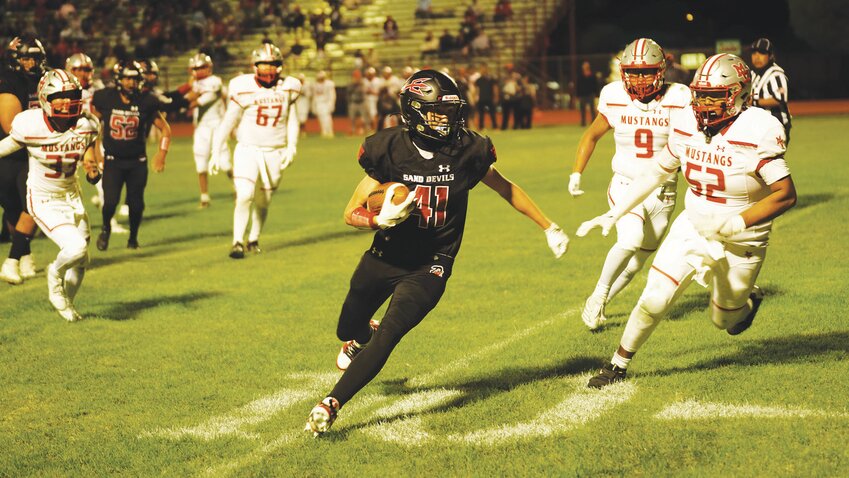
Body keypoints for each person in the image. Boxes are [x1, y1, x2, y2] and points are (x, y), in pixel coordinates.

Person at [304, 69, 570, 436]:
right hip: (385, 256)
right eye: (437, 112)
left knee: (391, 333)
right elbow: (350, 212)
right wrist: (377, 220)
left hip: (433, 261)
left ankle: (331, 404)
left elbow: (505, 187)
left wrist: (548, 225)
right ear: (413, 111)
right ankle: (359, 334)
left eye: (449, 111)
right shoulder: (388, 149)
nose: (446, 119)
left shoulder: (468, 150)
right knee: (347, 327)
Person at [577, 54, 796, 388]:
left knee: (724, 319)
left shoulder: (759, 129)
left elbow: (784, 194)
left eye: (713, 95)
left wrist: (736, 224)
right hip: (693, 222)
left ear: (738, 94)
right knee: (654, 297)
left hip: (743, 237)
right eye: (700, 93)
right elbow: (657, 171)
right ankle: (617, 365)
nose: (703, 103)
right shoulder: (687, 123)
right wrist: (616, 210)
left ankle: (747, 300)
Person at [569, 38, 690, 330]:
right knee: (630, 240)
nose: (638, 78)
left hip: (664, 191)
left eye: (646, 71)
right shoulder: (613, 94)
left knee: (637, 263)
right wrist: (576, 173)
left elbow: (692, 142)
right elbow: (591, 135)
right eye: (633, 71)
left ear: (661, 70)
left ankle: (601, 299)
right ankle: (598, 295)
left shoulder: (679, 96)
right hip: (626, 183)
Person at [0, 69, 101, 320]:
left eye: (72, 95)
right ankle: (54, 275)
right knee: (75, 248)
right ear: (45, 98)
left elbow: (87, 150)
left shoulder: (87, 125)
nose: (67, 101)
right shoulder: (30, 124)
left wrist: (92, 168)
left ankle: (68, 304)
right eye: (60, 96)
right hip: (43, 199)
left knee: (82, 260)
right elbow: (8, 145)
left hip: (72, 196)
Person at [208, 43, 301, 259]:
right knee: (244, 195)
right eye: (264, 64)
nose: (268, 69)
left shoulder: (289, 87)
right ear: (255, 66)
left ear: (279, 66)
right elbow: (228, 120)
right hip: (247, 148)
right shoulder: (243, 86)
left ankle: (254, 238)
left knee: (263, 200)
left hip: (275, 150)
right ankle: (237, 242)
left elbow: (292, 119)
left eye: (272, 64)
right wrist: (216, 149)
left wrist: (292, 145)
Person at [91, 60, 171, 250]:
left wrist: (161, 153)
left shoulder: (146, 102)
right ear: (119, 79)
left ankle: (133, 238)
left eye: (134, 79)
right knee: (110, 202)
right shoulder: (106, 98)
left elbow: (165, 130)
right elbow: (93, 127)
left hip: (137, 162)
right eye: (127, 78)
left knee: (136, 205)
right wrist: (96, 153)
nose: (131, 83)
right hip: (113, 160)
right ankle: (105, 228)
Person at [0, 35, 45, 285]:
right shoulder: (9, 81)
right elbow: (11, 127)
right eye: (26, 57)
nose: (31, 63)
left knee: (33, 207)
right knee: (14, 210)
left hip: (33, 155)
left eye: (35, 57)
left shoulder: (45, 80)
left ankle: (12, 260)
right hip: (9, 154)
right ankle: (25, 255)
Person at [185, 53, 229, 208]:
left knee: (225, 163)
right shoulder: (194, 83)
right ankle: (204, 197)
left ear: (209, 67)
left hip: (217, 125)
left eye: (202, 67)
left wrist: (184, 102)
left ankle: (240, 189)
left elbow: (198, 101)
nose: (199, 71)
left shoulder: (214, 81)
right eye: (196, 68)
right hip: (201, 127)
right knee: (201, 162)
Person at [750, 38, 792, 145]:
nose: (757, 56)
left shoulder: (776, 74)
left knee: (771, 161)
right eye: (754, 53)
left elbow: (780, 99)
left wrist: (754, 102)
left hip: (776, 127)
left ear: (770, 56)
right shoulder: (753, 74)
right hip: (758, 127)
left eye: (762, 53)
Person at [311, 70, 336, 138]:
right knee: (320, 118)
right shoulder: (315, 85)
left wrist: (331, 104)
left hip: (326, 103)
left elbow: (332, 95)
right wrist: (314, 105)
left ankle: (330, 131)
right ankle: (324, 131)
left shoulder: (329, 84)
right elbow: (314, 96)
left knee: (327, 118)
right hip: (318, 103)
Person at [576, 61, 600, 127]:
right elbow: (578, 86)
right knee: (582, 109)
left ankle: (594, 122)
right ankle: (583, 122)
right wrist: (577, 95)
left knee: (592, 109)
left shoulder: (592, 75)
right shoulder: (580, 76)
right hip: (582, 95)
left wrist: (596, 94)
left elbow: (596, 85)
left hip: (590, 94)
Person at [474, 63, 498, 129]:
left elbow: (495, 88)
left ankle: (495, 126)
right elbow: (476, 90)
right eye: (482, 69)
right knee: (481, 114)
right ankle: (481, 127)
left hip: (490, 98)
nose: (483, 70)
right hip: (481, 98)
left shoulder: (491, 79)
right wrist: (475, 97)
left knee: (492, 113)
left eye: (484, 68)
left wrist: (496, 97)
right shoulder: (478, 80)